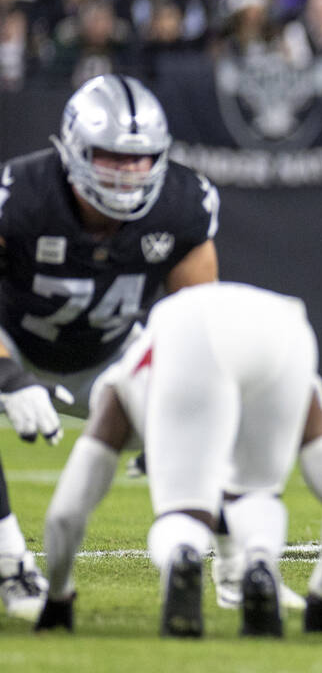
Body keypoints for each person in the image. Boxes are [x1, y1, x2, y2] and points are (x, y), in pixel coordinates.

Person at [33, 282, 322, 637]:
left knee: (183, 515)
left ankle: (183, 552)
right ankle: (261, 562)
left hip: (191, 329)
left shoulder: (119, 386)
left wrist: (57, 597)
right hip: (288, 330)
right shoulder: (289, 368)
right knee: (257, 493)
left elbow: (65, 514)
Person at [0, 73, 218, 618]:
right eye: (112, 157)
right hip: (16, 346)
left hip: (113, 356)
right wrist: (6, 376)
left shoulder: (182, 204)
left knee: (219, 406)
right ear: (74, 150)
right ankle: (8, 565)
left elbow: (196, 323)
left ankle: (239, 569)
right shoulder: (20, 197)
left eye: (140, 159)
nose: (128, 173)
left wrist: (175, 407)